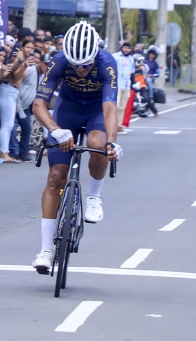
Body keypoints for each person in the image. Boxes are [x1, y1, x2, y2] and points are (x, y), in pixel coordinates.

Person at [31, 21, 121, 273]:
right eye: (75, 65)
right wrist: (55, 129)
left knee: (97, 143)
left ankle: (94, 195)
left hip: (95, 112)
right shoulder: (59, 61)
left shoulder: (106, 62)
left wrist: (112, 142)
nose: (80, 69)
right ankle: (47, 249)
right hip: (67, 110)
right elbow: (39, 104)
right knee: (55, 178)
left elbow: (110, 107)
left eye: (85, 64)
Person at [0, 39, 34, 163]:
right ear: (21, 48)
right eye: (27, 47)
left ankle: (4, 151)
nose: (30, 50)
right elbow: (15, 76)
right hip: (7, 90)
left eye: (32, 48)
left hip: (13, 93)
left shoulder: (24, 61)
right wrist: (23, 64)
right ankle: (4, 153)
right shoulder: (15, 59)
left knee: (9, 124)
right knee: (7, 124)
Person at [10, 47, 39, 162]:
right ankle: (13, 152)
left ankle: (23, 153)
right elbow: (15, 79)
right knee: (11, 127)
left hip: (25, 106)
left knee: (27, 128)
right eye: (34, 57)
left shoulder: (38, 71)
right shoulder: (29, 69)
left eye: (37, 58)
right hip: (16, 102)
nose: (35, 60)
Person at [113, 41, 134, 131]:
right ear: (122, 48)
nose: (126, 50)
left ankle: (119, 125)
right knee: (115, 106)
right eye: (125, 48)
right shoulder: (115, 56)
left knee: (122, 107)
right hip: (116, 84)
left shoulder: (131, 59)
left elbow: (132, 71)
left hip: (126, 85)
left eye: (128, 48)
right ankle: (112, 125)